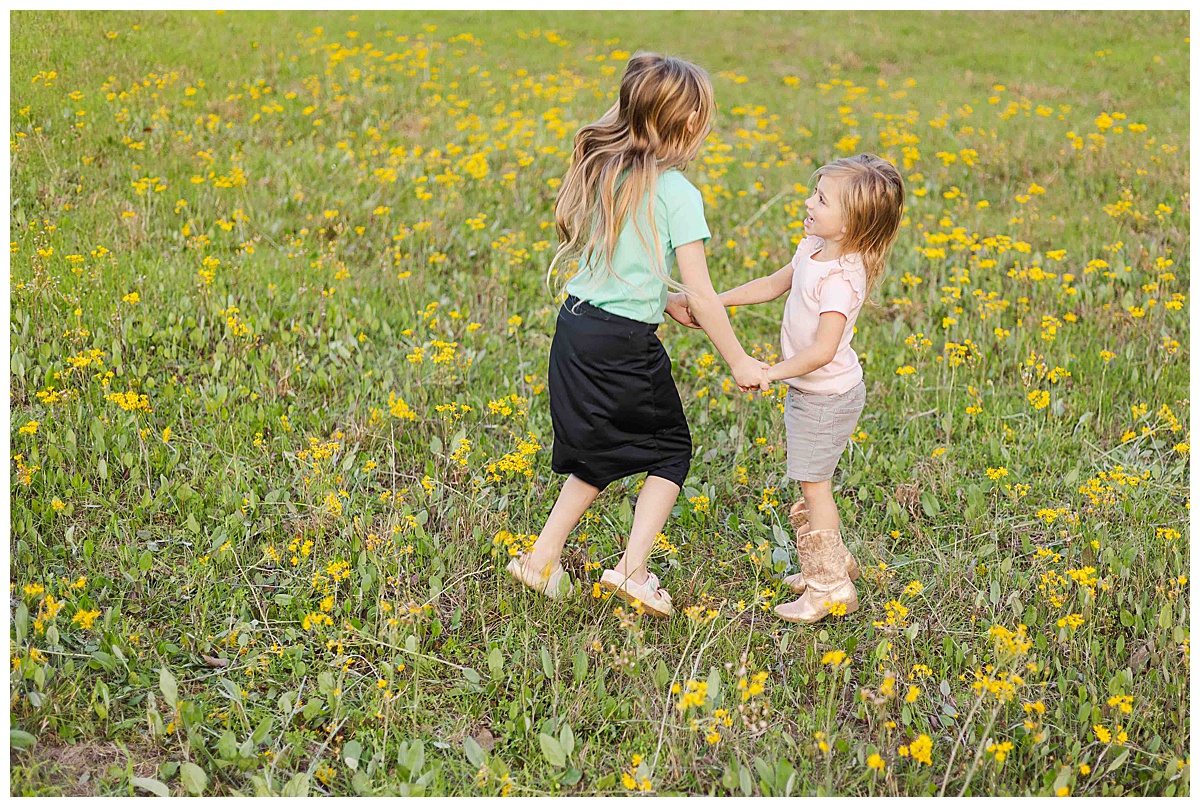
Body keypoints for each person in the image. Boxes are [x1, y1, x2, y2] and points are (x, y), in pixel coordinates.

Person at [504, 52, 769, 617]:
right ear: (688, 123)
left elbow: (622, 263)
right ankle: (632, 570)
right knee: (671, 452)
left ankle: (541, 558)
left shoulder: (606, 165)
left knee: (599, 454)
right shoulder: (678, 193)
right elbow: (703, 292)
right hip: (622, 343)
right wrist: (740, 360)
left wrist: (660, 298)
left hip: (578, 327)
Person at [667, 153, 904, 623]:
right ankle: (829, 561)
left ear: (851, 224)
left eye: (821, 199)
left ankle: (830, 586)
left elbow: (822, 351)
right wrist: (714, 303)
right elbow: (773, 284)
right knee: (809, 482)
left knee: (816, 488)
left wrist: (769, 372)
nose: (808, 201)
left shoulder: (841, 280)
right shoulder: (813, 248)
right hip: (811, 394)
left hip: (826, 397)